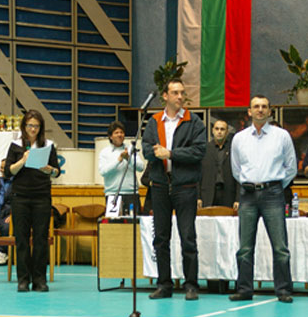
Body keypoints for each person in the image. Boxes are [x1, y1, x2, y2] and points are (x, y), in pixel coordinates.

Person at [142, 78, 206, 300]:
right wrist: (155, 152)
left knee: (188, 237)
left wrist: (171, 154)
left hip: (185, 187)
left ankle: (191, 285)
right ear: (165, 96)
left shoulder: (193, 121)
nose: (180, 96)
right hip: (160, 186)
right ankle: (164, 284)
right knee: (161, 238)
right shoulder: (154, 121)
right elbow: (145, 149)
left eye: (182, 92)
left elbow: (198, 151)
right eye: (175, 93)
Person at [229, 95, 297, 303]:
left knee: (280, 247)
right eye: (256, 106)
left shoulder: (282, 136)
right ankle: (244, 289)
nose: (260, 110)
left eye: (264, 107)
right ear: (249, 111)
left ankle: (283, 290)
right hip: (247, 195)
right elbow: (236, 170)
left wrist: (273, 186)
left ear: (270, 111)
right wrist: (250, 183)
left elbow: (291, 168)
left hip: (273, 194)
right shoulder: (239, 138)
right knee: (245, 248)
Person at [5, 109, 60, 292]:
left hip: (41, 196)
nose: (33, 129)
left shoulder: (48, 145)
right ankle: (23, 279)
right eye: (30, 125)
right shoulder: (16, 145)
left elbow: (57, 172)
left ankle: (39, 279)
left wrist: (50, 170)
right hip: (20, 197)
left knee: (40, 239)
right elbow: (8, 172)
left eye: (36, 126)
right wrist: (22, 161)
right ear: (24, 126)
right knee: (21, 239)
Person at [98, 121, 144, 215]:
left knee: (133, 223)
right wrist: (118, 160)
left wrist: (129, 159)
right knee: (114, 223)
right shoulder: (104, 152)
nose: (120, 135)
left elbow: (141, 167)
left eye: (121, 132)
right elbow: (103, 171)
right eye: (116, 133)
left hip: (132, 194)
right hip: (113, 194)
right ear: (110, 136)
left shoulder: (131, 149)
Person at [198, 119, 239, 210]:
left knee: (228, 218)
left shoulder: (233, 150)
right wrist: (198, 197)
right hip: (207, 193)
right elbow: (198, 174)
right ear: (212, 130)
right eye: (217, 129)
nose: (219, 132)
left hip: (228, 194)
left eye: (222, 129)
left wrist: (238, 199)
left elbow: (238, 174)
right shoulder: (204, 149)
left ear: (227, 132)